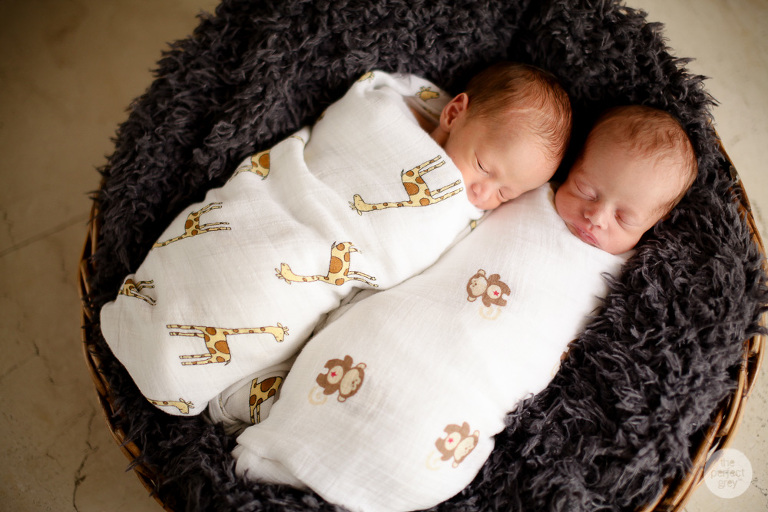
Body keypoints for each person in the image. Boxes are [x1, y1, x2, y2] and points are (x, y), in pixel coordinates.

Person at [231, 104, 697, 512]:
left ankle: (387, 481)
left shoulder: (627, 275)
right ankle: (285, 443)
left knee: (426, 452)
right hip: (400, 328)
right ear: (571, 167)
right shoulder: (527, 192)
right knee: (354, 353)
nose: (596, 216)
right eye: (587, 190)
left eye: (624, 217)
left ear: (655, 224)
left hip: (471, 389)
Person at [98, 62, 573, 422]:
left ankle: (181, 359)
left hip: (309, 276)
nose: (480, 195)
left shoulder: (463, 214)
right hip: (271, 210)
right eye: (485, 168)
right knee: (231, 255)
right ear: (453, 112)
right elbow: (351, 121)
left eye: (505, 194)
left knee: (277, 309)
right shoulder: (382, 112)